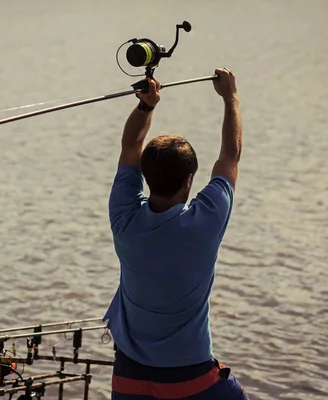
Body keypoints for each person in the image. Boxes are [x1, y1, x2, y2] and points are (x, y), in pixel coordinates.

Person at [102, 68, 247, 400]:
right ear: (189, 181)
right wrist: (231, 98)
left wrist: (146, 106)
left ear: (146, 176)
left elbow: (130, 144)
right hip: (191, 378)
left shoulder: (124, 217)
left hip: (129, 377)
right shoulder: (204, 223)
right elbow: (230, 156)